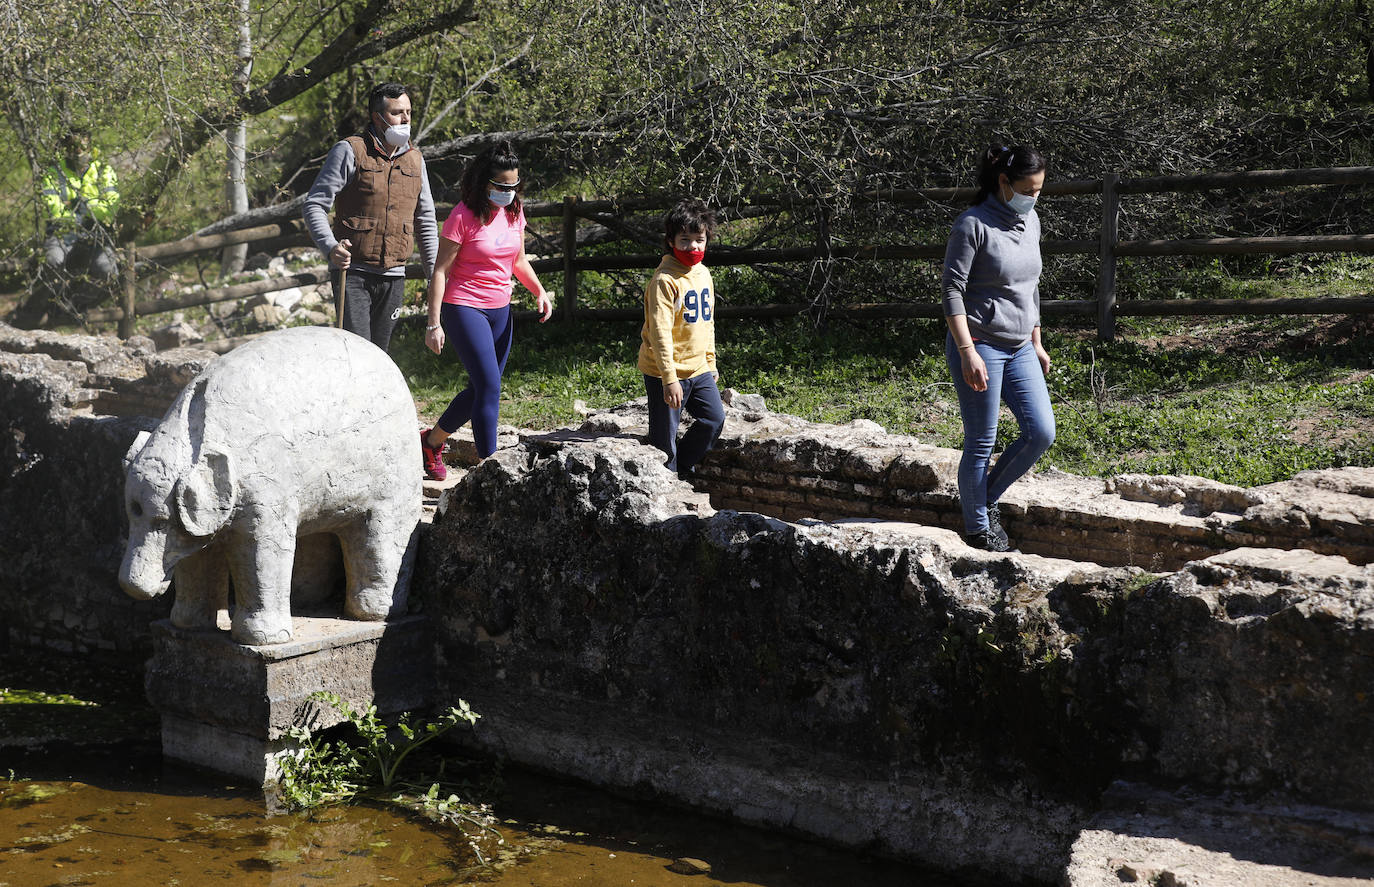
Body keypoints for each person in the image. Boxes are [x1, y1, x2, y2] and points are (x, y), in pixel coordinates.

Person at [942, 144, 1055, 552]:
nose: (1034, 197)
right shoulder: (972, 225)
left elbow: (1030, 287)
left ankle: (984, 500)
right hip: (981, 345)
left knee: (1041, 432)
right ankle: (978, 530)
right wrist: (967, 350)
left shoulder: (1032, 220)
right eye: (1029, 189)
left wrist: (1037, 341)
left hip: (1021, 345)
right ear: (1003, 182)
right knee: (981, 442)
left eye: (1040, 190)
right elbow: (952, 291)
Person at [419, 141, 553, 481]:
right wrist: (433, 323)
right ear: (483, 183)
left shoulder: (514, 211)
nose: (508, 192)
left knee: (483, 388)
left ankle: (432, 442)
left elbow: (518, 260)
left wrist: (538, 290)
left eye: (513, 186)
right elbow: (439, 271)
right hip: (464, 306)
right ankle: (489, 468)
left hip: (500, 310)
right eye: (501, 186)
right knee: (490, 386)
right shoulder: (462, 215)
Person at [303, 82, 438, 351]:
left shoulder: (416, 160)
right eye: (398, 112)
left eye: (409, 112)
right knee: (357, 350)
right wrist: (331, 248)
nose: (406, 119)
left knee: (382, 353)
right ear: (377, 117)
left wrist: (434, 274)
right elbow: (314, 205)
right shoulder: (349, 150)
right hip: (353, 274)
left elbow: (425, 220)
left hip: (394, 276)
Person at [638, 198, 726, 481]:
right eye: (685, 240)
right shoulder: (664, 280)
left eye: (699, 239)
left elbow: (707, 322)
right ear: (671, 241)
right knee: (664, 441)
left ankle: (682, 471)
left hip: (698, 369)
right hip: (666, 371)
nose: (693, 247)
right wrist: (669, 378)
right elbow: (659, 333)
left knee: (714, 420)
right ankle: (666, 486)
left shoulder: (703, 274)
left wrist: (710, 362)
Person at [40, 131, 120, 300]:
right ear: (66, 149)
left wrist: (81, 205)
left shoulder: (104, 170)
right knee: (54, 260)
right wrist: (85, 212)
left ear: (90, 146)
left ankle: (83, 301)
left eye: (83, 147)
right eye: (73, 147)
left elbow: (111, 208)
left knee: (108, 271)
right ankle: (54, 302)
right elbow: (55, 211)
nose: (78, 152)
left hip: (96, 233)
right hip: (63, 233)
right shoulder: (53, 172)